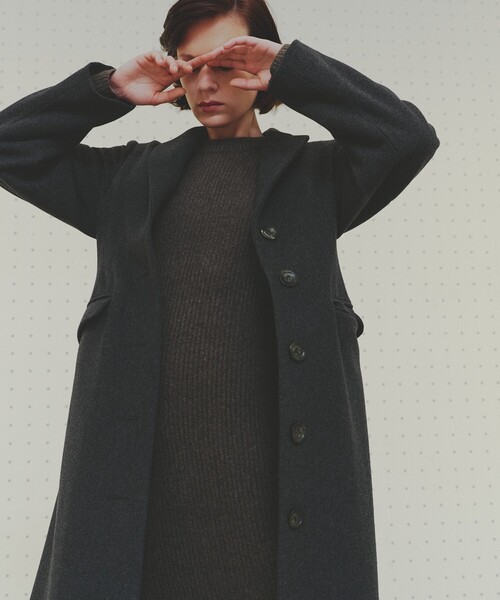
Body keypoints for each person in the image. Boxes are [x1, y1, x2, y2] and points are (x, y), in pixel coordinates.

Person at [0, 0, 440, 598]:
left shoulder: (317, 177)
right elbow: (11, 147)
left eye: (228, 63)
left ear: (262, 65)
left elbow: (406, 137)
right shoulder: (125, 181)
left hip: (278, 502)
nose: (206, 83)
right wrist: (107, 89)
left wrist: (294, 68)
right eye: (191, 65)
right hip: (139, 502)